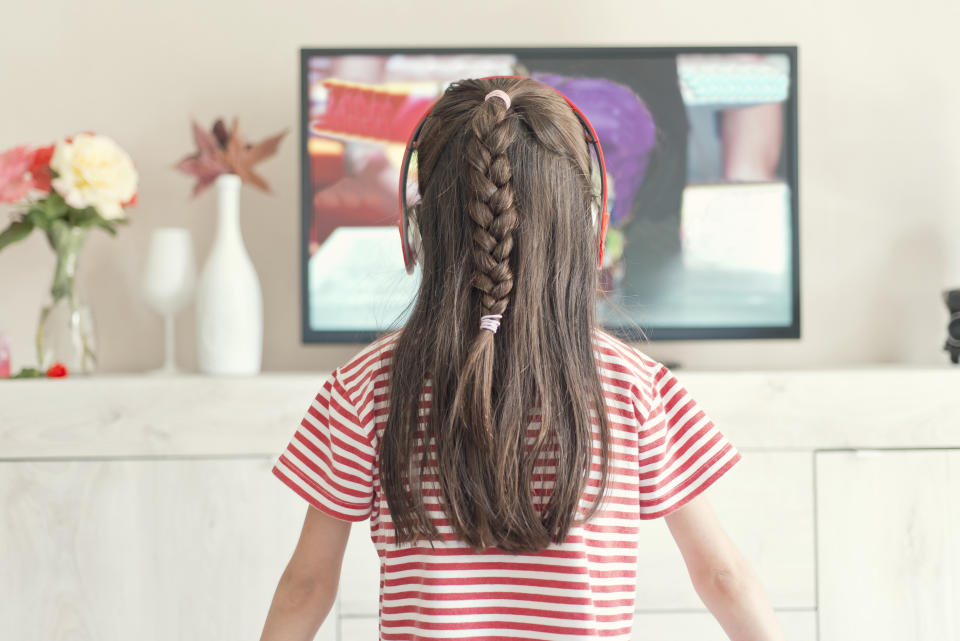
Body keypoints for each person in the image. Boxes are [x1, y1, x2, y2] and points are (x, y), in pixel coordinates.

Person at [259, 77, 785, 641]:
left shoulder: (365, 387)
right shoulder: (636, 386)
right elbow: (723, 576)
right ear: (591, 225)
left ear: (417, 230)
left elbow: (307, 586)